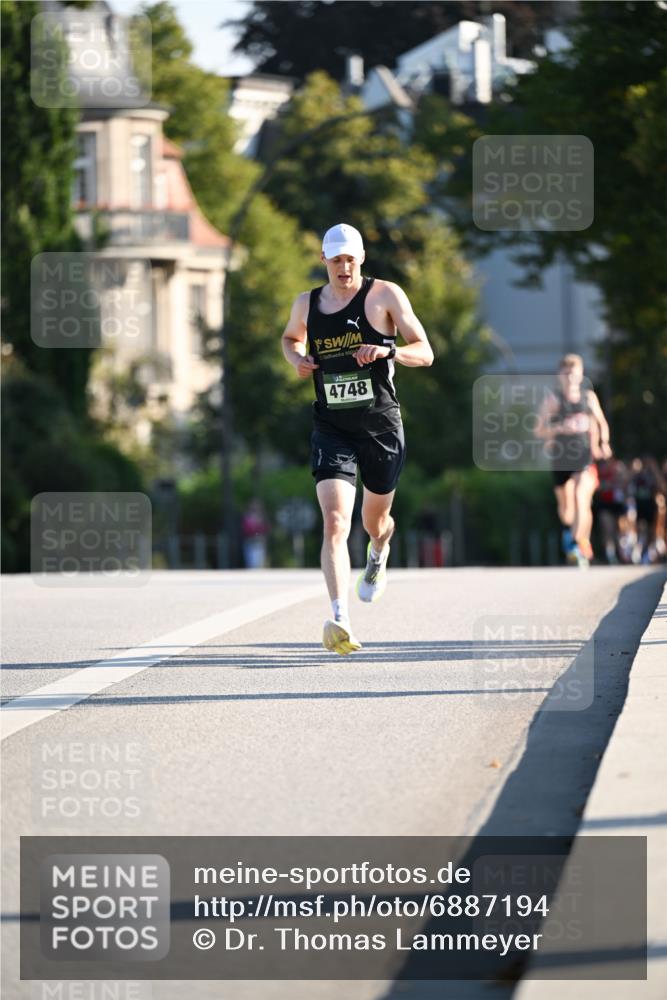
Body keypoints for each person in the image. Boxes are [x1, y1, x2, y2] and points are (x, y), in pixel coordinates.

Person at [281, 223, 434, 654]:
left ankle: (378, 552)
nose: (344, 268)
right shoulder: (307, 303)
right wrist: (297, 359)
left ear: (361, 258)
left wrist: (389, 351)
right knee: (334, 521)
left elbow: (425, 351)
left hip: (381, 426)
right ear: (324, 260)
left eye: (350, 259)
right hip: (332, 427)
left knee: (374, 523)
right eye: (336, 260)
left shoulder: (385, 295)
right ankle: (339, 618)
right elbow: (290, 338)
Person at [535, 354, 612, 567]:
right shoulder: (553, 400)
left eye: (573, 372)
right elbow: (538, 430)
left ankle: (577, 544)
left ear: (580, 374)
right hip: (560, 458)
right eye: (566, 373)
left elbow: (601, 423)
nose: (570, 377)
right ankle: (574, 535)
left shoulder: (589, 398)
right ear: (559, 375)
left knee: (581, 497)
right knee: (566, 510)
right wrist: (560, 428)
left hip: (583, 456)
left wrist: (603, 443)